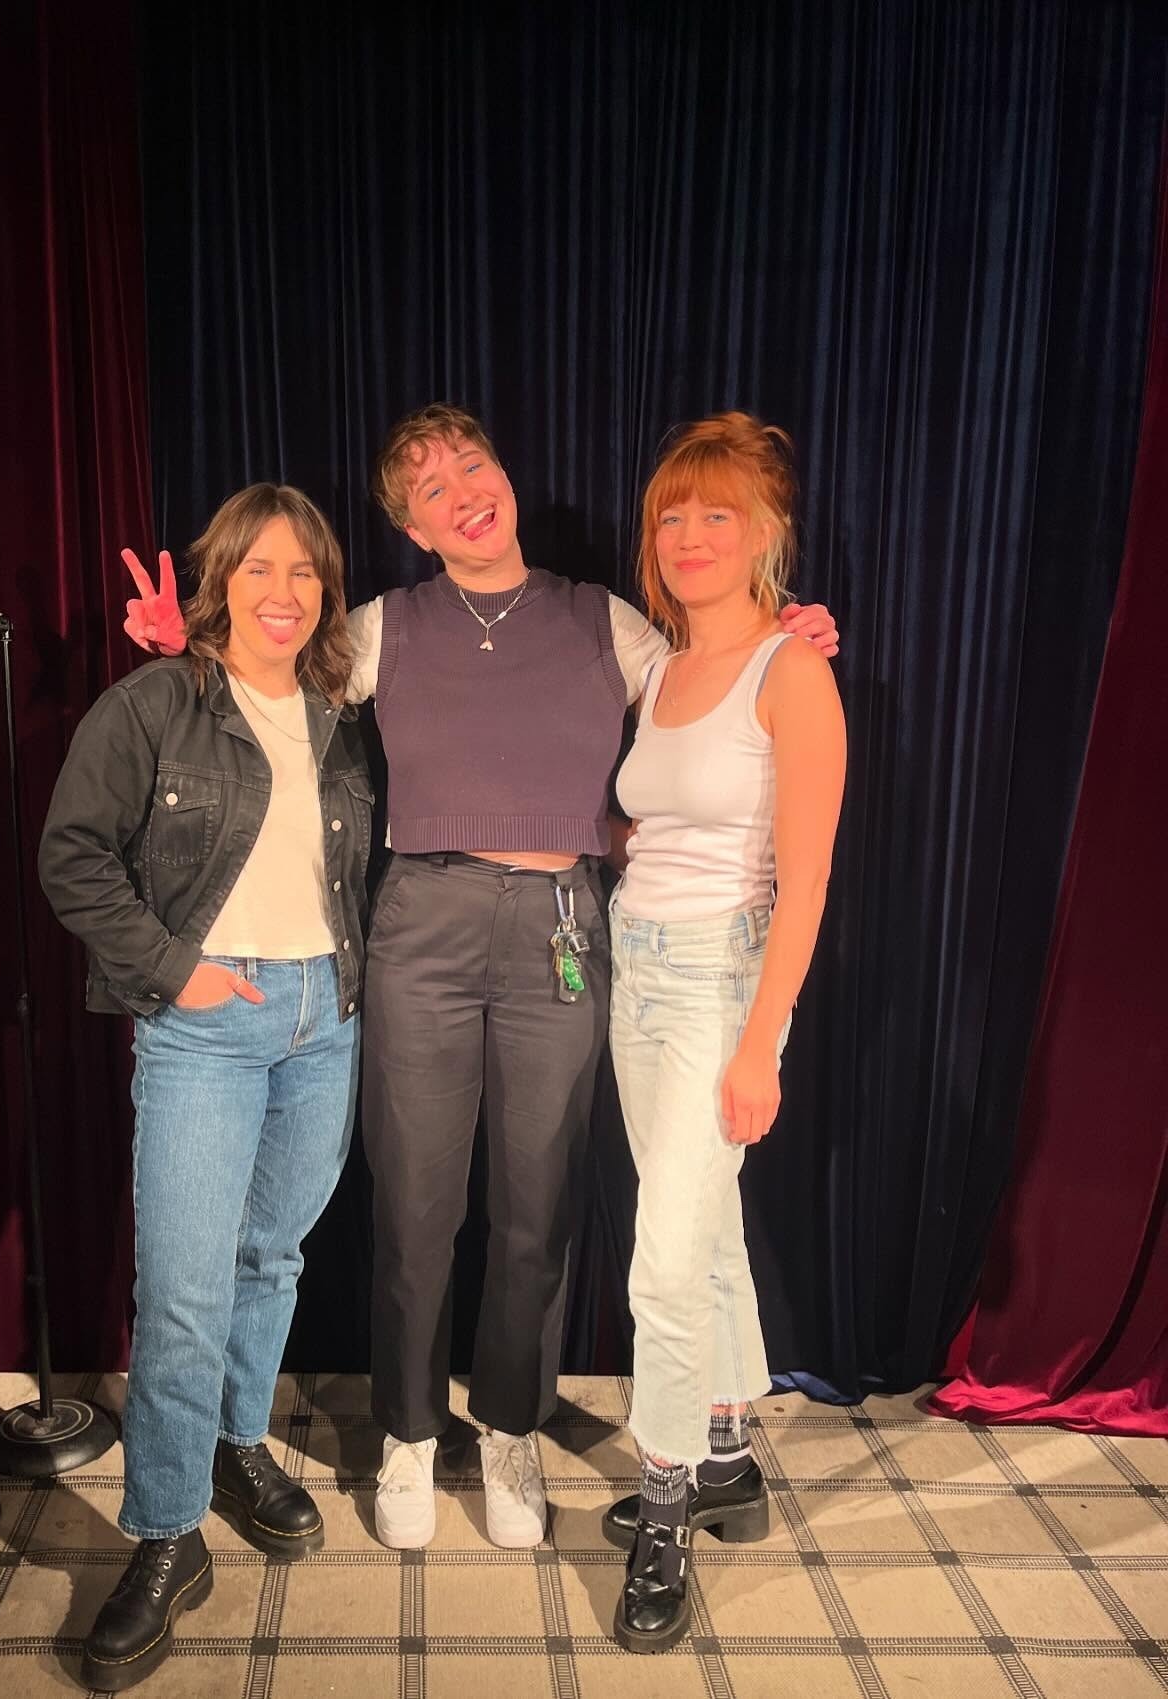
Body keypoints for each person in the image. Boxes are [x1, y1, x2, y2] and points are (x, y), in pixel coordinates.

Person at [119, 404, 840, 1554]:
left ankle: (509, 1427)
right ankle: (410, 1432)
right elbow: (266, 684)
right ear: (412, 528)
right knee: (414, 1203)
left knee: (536, 1208)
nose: (461, 492)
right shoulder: (383, 628)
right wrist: (185, 650)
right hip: (424, 923)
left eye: (471, 466)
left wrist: (787, 631)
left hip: (564, 928)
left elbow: (713, 684)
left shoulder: (602, 619)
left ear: (504, 475)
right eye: (430, 488)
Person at [41, 485, 371, 1693]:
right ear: (222, 578)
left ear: (327, 591)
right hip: (207, 1021)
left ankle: (239, 1442)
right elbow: (72, 856)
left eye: (305, 572)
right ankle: (165, 1533)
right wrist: (177, 972)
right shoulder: (154, 704)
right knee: (182, 1290)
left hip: (324, 1019)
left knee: (270, 1256)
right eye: (259, 568)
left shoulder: (341, 715)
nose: (284, 592)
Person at [598, 413, 846, 1653]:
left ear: (765, 532)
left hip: (719, 984)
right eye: (672, 516)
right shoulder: (659, 669)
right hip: (632, 968)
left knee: (661, 1261)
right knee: (699, 1231)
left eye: (717, 515)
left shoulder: (792, 670)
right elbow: (649, 823)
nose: (689, 536)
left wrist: (761, 1042)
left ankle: (665, 1509)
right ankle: (728, 1454)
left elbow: (805, 883)